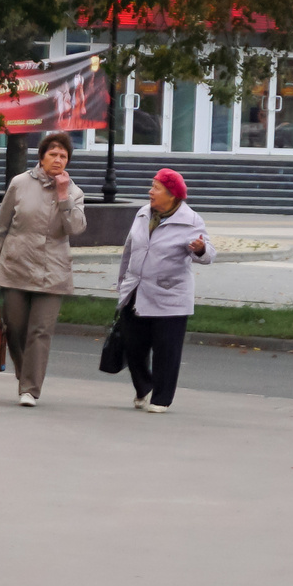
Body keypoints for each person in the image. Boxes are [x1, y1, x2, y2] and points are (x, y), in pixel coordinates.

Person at [0, 131, 89, 406]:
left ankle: (29, 388)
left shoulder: (75, 192)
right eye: (53, 154)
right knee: (15, 328)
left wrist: (63, 196)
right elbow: (0, 226)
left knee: (40, 331)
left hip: (53, 273)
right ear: (41, 157)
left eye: (63, 156)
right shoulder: (19, 184)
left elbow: (76, 228)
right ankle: (25, 376)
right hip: (16, 267)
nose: (58, 159)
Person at [113, 168, 211, 412]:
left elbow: (208, 254)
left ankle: (161, 398)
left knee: (167, 350)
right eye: (152, 186)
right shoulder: (143, 213)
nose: (150, 191)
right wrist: (122, 282)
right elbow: (129, 249)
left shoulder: (191, 220)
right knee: (133, 347)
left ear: (172, 195)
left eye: (156, 188)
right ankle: (143, 386)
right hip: (136, 291)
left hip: (171, 296)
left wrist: (200, 249)